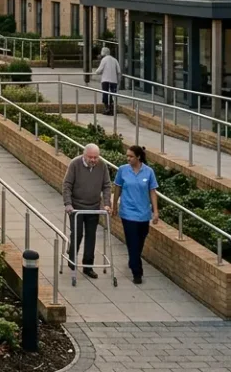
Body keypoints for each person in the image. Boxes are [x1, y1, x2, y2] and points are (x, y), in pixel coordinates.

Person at [62, 144, 112, 279]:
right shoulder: (75, 164)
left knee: (91, 235)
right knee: (77, 234)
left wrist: (107, 204)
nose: (94, 160)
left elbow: (107, 186)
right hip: (77, 206)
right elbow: (67, 185)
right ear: (84, 155)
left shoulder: (102, 166)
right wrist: (68, 204)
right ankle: (72, 256)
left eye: (96, 157)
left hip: (93, 207)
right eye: (91, 157)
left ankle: (88, 266)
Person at [114, 145, 159, 284]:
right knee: (132, 241)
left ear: (138, 157)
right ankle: (137, 272)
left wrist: (155, 211)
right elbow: (117, 187)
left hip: (143, 213)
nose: (128, 158)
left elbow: (152, 191)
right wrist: (115, 204)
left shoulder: (148, 172)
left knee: (140, 241)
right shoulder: (123, 170)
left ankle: (133, 259)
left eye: (131, 156)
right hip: (128, 212)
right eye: (127, 156)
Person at [95, 47, 121, 115]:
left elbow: (99, 70)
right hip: (114, 80)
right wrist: (118, 81)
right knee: (112, 94)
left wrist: (96, 72)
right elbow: (119, 71)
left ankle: (107, 108)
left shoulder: (104, 60)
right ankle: (112, 108)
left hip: (105, 80)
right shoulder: (115, 60)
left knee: (105, 93)